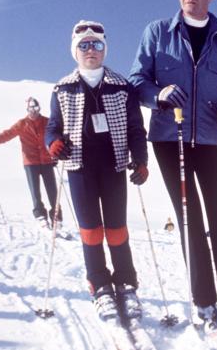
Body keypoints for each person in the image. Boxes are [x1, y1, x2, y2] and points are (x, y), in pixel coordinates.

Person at [128, 0, 217, 328]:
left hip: (212, 138)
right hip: (170, 136)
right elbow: (138, 80)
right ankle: (204, 298)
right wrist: (158, 94)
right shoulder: (158, 32)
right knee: (188, 216)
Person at [45, 20, 149, 322]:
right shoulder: (62, 88)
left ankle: (126, 283)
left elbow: (135, 128)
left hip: (113, 165)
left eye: (97, 45)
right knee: (91, 231)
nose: (91, 50)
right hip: (80, 168)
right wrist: (53, 143)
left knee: (117, 230)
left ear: (105, 50)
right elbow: (53, 126)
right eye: (84, 45)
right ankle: (100, 284)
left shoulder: (121, 86)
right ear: (75, 51)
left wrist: (140, 160)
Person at [0, 97, 61, 227]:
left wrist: (56, 154)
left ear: (39, 108)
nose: (33, 111)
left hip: (47, 161)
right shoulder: (22, 124)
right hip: (30, 163)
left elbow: (55, 137)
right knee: (35, 191)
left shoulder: (47, 122)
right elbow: (6, 135)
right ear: (27, 109)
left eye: (36, 108)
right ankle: (40, 216)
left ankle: (57, 217)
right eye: (30, 108)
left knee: (52, 191)